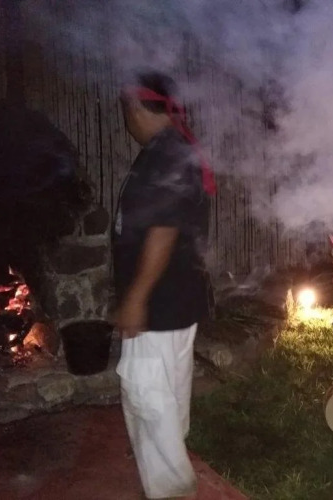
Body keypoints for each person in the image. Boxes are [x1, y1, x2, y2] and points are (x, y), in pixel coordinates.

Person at [113, 71, 216, 499]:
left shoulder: (165, 155)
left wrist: (135, 298)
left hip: (158, 302)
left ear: (136, 107)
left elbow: (163, 230)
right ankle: (172, 469)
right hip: (175, 298)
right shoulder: (173, 150)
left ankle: (172, 489)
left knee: (147, 395)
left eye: (125, 109)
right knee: (167, 391)